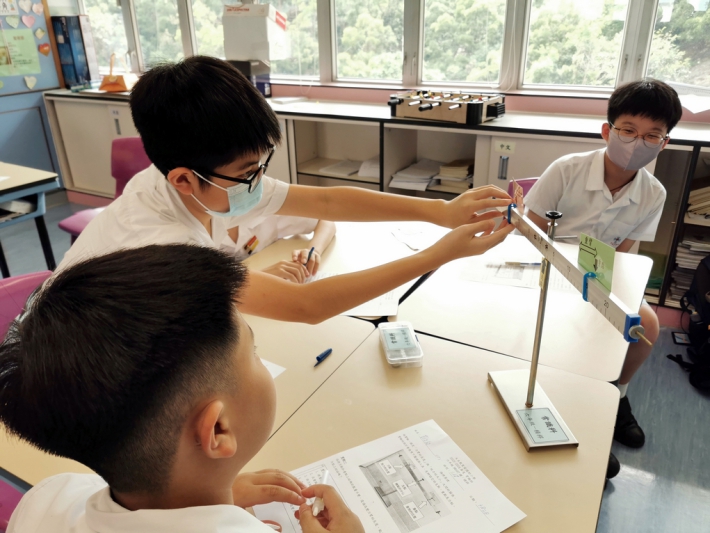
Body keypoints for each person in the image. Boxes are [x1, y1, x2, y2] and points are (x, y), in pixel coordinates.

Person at [57, 55, 514, 323]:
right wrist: (438, 255)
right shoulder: (162, 242)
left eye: (261, 165)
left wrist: (439, 211)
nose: (258, 182)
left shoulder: (191, 182)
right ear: (183, 178)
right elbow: (308, 306)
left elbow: (327, 200)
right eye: (248, 172)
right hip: (78, 381)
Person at [1, 244, 364, 533]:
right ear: (218, 430)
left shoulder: (47, 499)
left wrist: (212, 495)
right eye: (253, 351)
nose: (258, 358)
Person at [523, 79, 683, 477]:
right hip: (546, 265)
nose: (637, 142)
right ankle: (572, 413)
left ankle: (615, 395)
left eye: (652, 135)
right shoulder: (567, 170)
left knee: (646, 324)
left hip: (599, 274)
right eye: (628, 130)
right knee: (558, 329)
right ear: (607, 131)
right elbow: (529, 231)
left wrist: (607, 294)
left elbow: (625, 253)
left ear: (663, 143)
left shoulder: (654, 193)